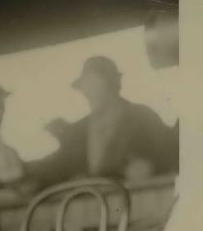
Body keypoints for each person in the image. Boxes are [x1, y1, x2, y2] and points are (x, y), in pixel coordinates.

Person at [29, 56, 178, 186]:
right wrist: (23, 172)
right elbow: (54, 168)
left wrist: (153, 167)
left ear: (111, 83)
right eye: (85, 86)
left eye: (94, 83)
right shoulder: (78, 130)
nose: (87, 91)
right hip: (89, 212)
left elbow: (175, 151)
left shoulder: (142, 116)